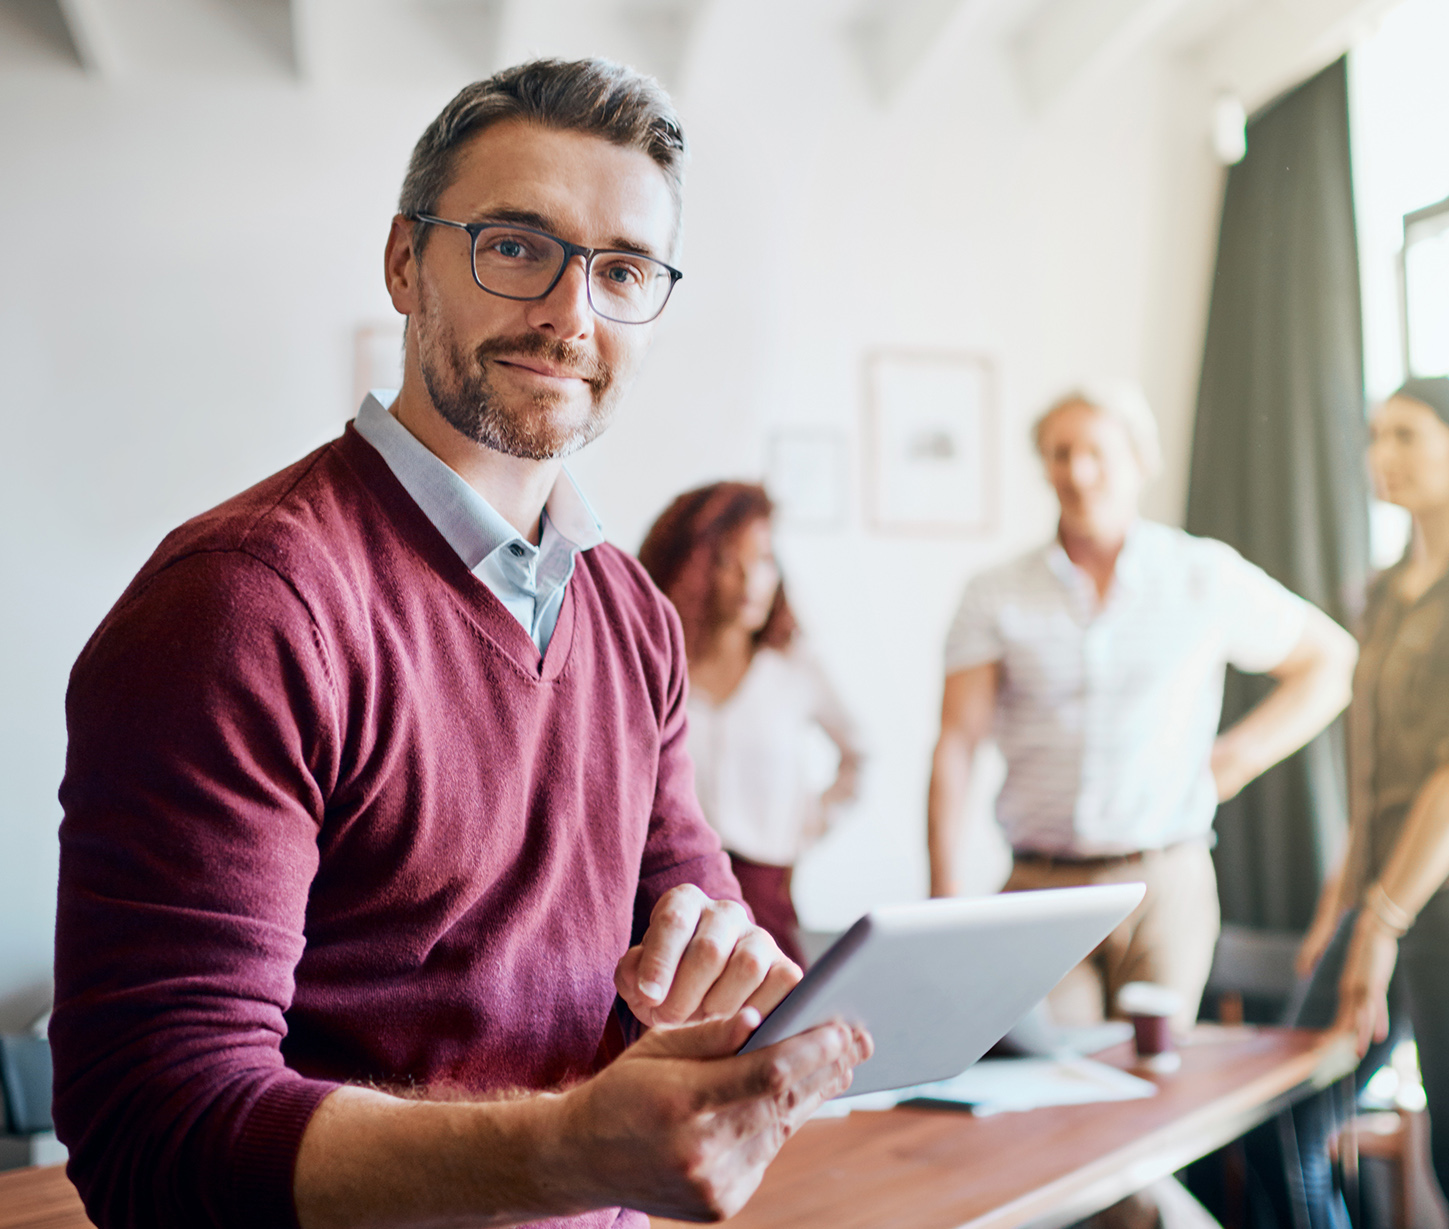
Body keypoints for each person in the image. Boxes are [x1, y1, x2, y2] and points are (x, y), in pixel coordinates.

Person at [52, 59, 870, 1229]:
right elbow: (155, 1126)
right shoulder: (244, 602)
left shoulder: (635, 614)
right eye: (516, 245)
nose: (570, 314)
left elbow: (693, 912)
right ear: (405, 261)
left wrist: (714, 962)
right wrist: (563, 1150)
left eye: (623, 269)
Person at [928, 381, 1357, 1030]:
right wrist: (944, 894)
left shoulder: (1202, 574)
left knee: (1156, 1095)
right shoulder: (994, 593)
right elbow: (957, 742)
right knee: (1053, 1095)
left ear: (1140, 462)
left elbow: (1331, 662)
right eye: (1059, 452)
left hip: (1165, 884)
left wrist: (1235, 758)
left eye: (1096, 450)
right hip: (1039, 889)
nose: (1077, 470)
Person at [1260, 377, 1449, 1229]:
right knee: (1285, 1122)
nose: (1381, 454)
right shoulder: (1382, 592)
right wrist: (1338, 906)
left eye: (1406, 435)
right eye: (1375, 434)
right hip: (1382, 895)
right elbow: (1372, 774)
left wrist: (1378, 922)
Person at [639, 481, 864, 967]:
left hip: (767, 898)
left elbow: (862, 753)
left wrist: (803, 826)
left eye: (763, 560)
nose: (751, 581)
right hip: (663, 908)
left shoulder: (793, 666)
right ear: (691, 568)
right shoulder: (652, 665)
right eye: (727, 561)